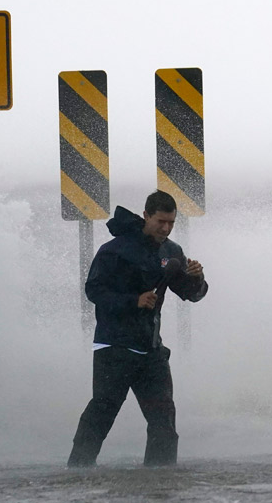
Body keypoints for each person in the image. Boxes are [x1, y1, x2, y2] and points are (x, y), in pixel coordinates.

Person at [67, 190, 208, 468]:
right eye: (160, 222)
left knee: (164, 420)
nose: (165, 228)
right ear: (146, 216)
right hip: (114, 347)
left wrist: (198, 279)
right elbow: (93, 290)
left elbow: (191, 295)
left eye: (171, 223)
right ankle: (77, 472)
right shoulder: (115, 250)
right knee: (102, 412)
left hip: (151, 349)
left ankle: (160, 477)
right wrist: (134, 301)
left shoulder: (171, 252)